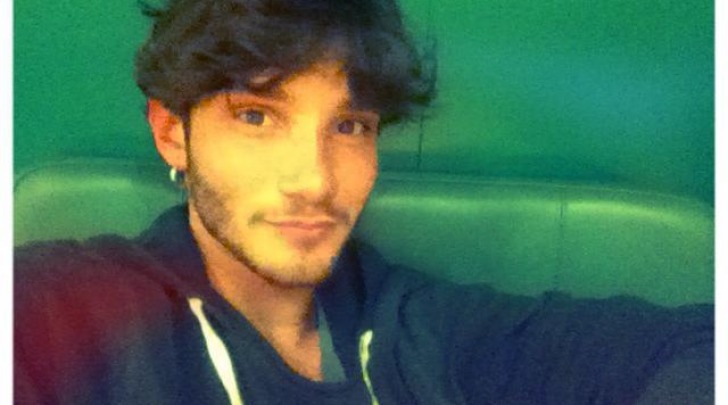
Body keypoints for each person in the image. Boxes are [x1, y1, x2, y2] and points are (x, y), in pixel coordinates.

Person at [14, 0, 713, 404]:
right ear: (173, 133)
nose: (315, 180)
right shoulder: (72, 311)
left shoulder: (423, 331)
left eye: (349, 126)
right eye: (257, 116)